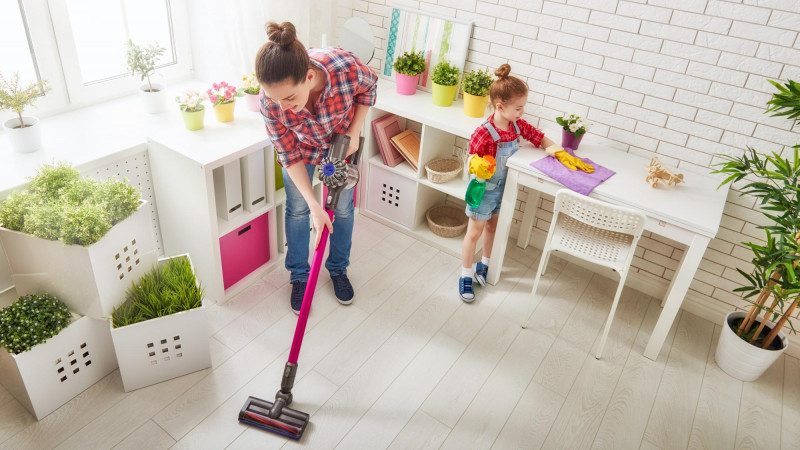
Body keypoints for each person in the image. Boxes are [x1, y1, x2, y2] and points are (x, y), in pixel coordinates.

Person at [255, 21, 378, 313]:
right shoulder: (271, 104)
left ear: (309, 77)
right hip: (301, 151)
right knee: (298, 208)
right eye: (274, 100)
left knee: (343, 209)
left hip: (339, 145)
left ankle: (337, 268)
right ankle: (299, 276)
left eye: (289, 98)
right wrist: (314, 204)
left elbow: (369, 86)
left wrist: (355, 129)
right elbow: (287, 154)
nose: (282, 109)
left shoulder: (345, 68)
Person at [459, 63, 593, 302]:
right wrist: (474, 163)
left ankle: (485, 265)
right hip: (484, 190)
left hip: (504, 189)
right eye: (519, 108)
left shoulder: (516, 125)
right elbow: (470, 155)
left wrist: (559, 152)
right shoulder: (484, 132)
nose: (522, 113)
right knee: (474, 232)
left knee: (493, 228)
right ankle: (465, 274)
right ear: (500, 106)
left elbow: (538, 137)